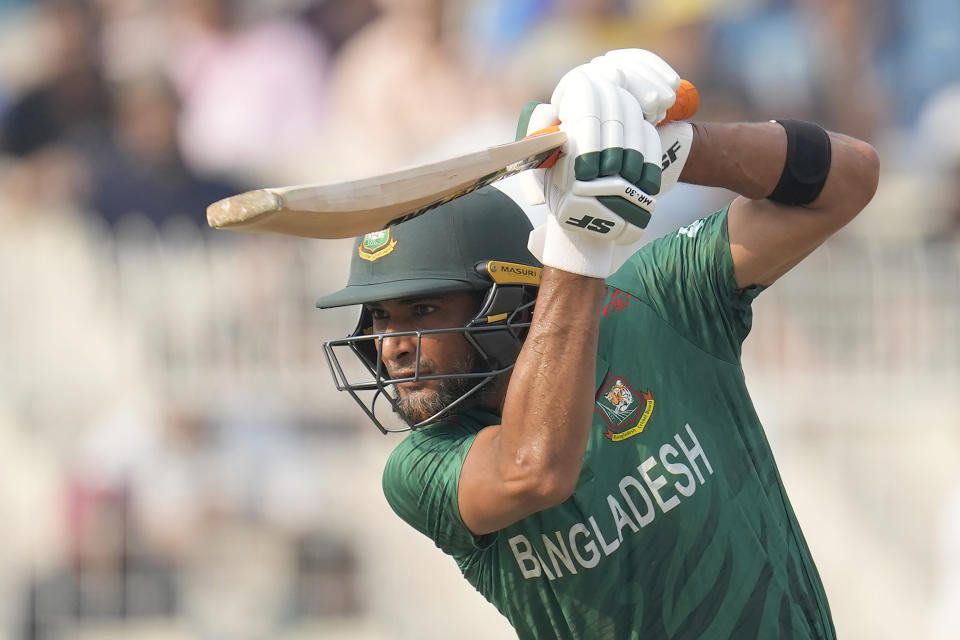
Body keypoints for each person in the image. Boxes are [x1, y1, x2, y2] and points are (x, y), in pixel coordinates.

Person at [317, 50, 879, 639]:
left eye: (423, 311)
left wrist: (672, 151)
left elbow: (850, 178)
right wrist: (577, 241)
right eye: (380, 318)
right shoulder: (420, 467)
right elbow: (533, 470)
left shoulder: (657, 302)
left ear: (506, 302)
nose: (391, 346)